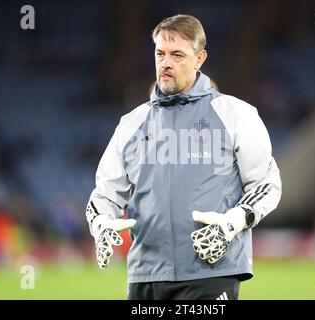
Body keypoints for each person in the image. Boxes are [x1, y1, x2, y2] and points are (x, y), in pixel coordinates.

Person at [85, 14, 282, 300]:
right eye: (160, 54)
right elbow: (105, 194)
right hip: (146, 274)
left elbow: (266, 185)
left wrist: (232, 223)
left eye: (177, 55)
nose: (166, 63)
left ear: (200, 58)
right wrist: (101, 222)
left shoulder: (236, 114)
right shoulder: (131, 123)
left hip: (212, 271)